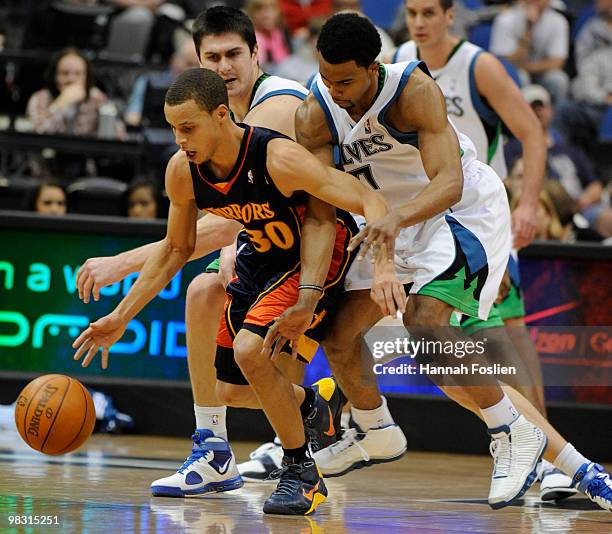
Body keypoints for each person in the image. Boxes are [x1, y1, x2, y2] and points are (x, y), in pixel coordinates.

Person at [267, 12, 612, 512]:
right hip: (388, 220)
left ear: (372, 67)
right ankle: (375, 428)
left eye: (345, 80)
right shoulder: (315, 113)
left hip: (457, 210)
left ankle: (514, 432)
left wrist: (391, 224)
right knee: (342, 337)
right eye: (325, 77)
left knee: (426, 325)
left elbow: (448, 182)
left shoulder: (413, 89)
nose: (334, 89)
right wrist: (309, 295)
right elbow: (323, 214)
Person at [72, 66, 390, 515]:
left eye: (188, 127)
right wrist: (120, 316)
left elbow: (367, 200)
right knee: (232, 392)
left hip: (313, 256)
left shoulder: (277, 156)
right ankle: (315, 402)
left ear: (222, 115)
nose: (180, 139)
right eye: (173, 129)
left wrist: (385, 267)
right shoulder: (183, 171)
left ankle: (301, 472)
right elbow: (176, 248)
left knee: (248, 351)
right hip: (261, 257)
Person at [388, 0, 577, 501]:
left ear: (452, 16)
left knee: (505, 337)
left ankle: (551, 459)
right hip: (424, 224)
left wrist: (530, 203)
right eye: (411, 13)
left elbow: (531, 132)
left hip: (478, 218)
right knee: (438, 349)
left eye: (430, 12)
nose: (419, 22)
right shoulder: (399, 61)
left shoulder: (480, 65)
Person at [489, 0, 569, 102]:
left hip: (541, 74)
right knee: (521, 76)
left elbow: (557, 63)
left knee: (558, 79)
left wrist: (527, 67)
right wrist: (529, 28)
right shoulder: (505, 19)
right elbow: (504, 63)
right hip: (515, 73)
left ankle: (553, 117)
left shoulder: (558, 21)